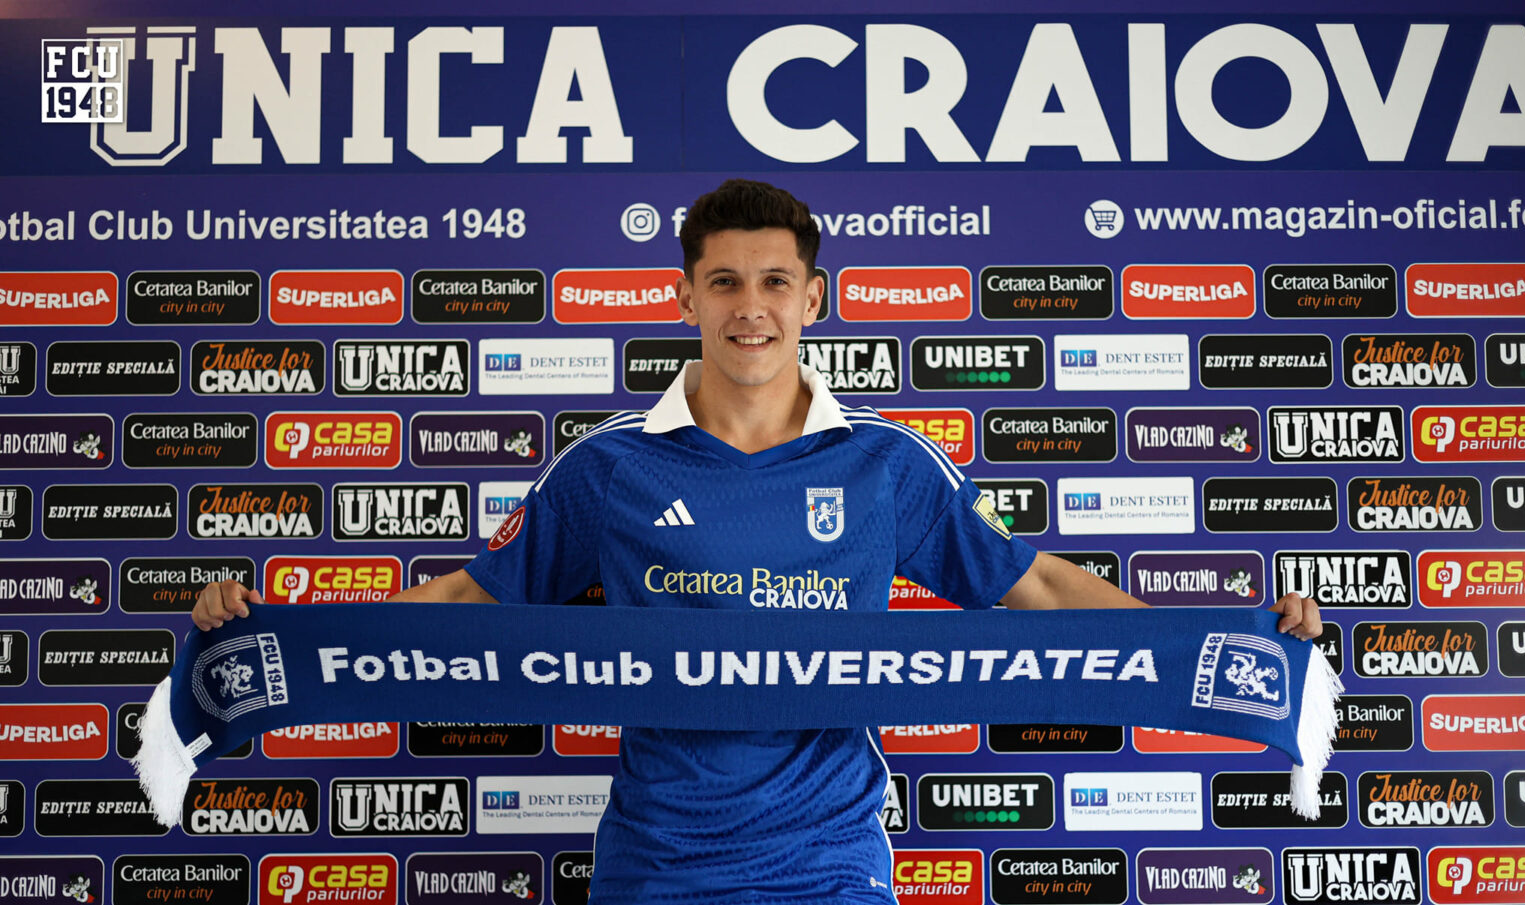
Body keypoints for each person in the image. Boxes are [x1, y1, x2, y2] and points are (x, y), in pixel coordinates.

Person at [194, 179, 1322, 903]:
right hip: (655, 866)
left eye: (775, 281)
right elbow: (470, 602)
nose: (750, 306)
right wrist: (274, 634)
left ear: (812, 298)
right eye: (725, 280)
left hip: (830, 866)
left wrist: (1233, 640)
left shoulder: (886, 464)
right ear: (685, 294)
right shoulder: (609, 467)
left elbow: (1037, 587)